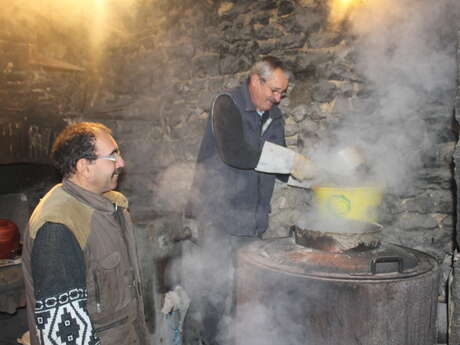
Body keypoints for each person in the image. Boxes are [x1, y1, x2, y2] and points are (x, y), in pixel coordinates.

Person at [183, 56, 316, 345]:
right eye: (274, 91)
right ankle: (205, 340)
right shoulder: (227, 104)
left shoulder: (273, 115)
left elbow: (278, 167)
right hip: (218, 217)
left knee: (247, 291)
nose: (278, 98)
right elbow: (236, 153)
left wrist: (313, 178)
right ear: (256, 80)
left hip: (253, 221)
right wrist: (292, 160)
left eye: (283, 93)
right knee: (215, 291)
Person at [22, 122, 148, 345]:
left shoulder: (109, 206)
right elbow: (64, 335)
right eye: (112, 157)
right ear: (84, 167)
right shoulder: (58, 227)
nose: (121, 163)